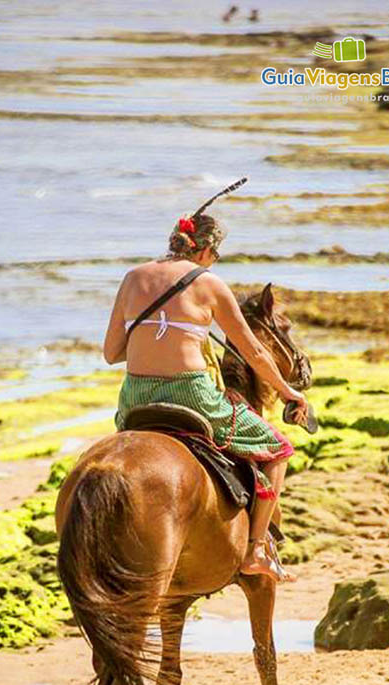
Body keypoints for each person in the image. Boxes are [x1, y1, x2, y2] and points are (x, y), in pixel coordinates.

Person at [103, 181, 308, 582]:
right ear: (205, 250)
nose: (214, 261)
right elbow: (255, 354)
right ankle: (255, 552)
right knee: (279, 449)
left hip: (134, 397)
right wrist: (289, 392)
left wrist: (157, 337)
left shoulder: (131, 278)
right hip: (192, 395)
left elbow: (112, 353)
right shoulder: (209, 283)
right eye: (215, 254)